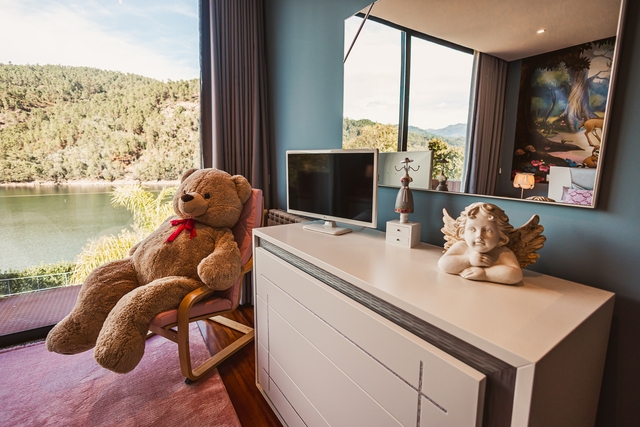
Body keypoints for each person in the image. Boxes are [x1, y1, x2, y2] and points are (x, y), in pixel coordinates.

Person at [438, 203, 523, 285]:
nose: (479, 236)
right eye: (472, 229)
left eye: (488, 230)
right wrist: (469, 260)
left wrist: (485, 273)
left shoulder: (503, 253)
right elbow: (443, 264)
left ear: (501, 236)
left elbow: (516, 275)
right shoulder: (461, 246)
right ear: (462, 232)